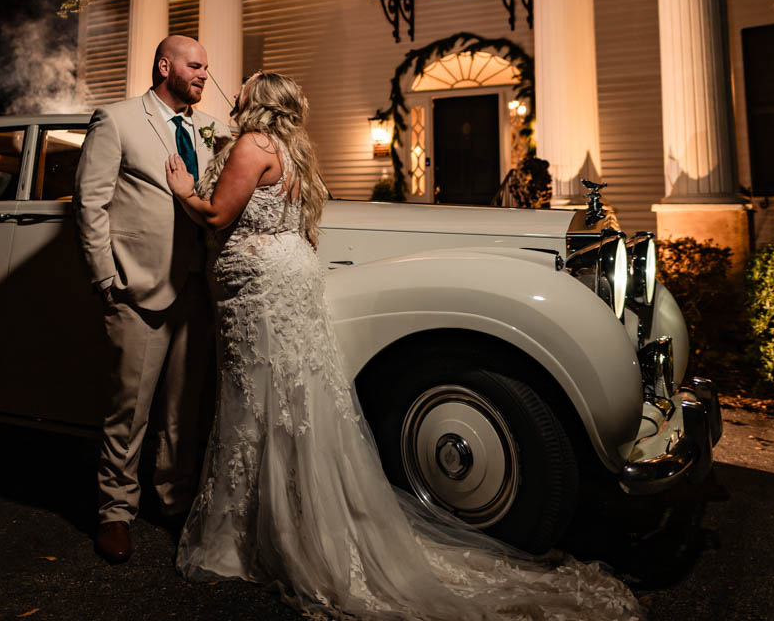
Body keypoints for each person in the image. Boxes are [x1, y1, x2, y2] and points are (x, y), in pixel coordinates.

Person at [164, 72, 643, 621]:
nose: (235, 93)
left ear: (257, 101)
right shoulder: (294, 152)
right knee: (292, 403)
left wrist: (184, 188)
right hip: (289, 276)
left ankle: (259, 532)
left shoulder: (252, 145)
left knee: (256, 405)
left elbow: (218, 214)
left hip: (259, 286)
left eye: (244, 89)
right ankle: (291, 519)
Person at [73, 34, 231, 564]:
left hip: (196, 288)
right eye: (195, 66)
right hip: (136, 288)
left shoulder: (208, 128)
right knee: (129, 408)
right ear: (165, 65)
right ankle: (115, 511)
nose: (204, 75)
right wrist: (104, 278)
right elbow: (90, 204)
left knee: (185, 408)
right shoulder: (116, 120)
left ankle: (173, 498)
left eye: (207, 68)